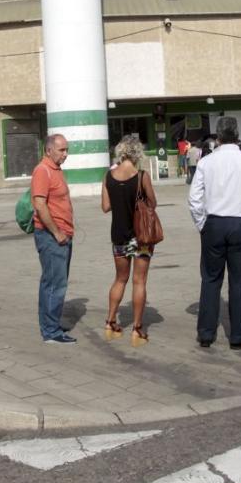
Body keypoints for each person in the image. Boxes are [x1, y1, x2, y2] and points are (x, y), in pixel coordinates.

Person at [188, 116, 241, 348]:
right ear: (237, 134)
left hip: (213, 224)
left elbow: (194, 199)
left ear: (218, 135)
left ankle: (205, 333)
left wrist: (202, 223)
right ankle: (238, 334)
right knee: (238, 283)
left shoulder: (206, 162)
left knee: (210, 279)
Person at [100, 135, 157, 346]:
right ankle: (137, 329)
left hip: (118, 235)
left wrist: (119, 198)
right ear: (137, 153)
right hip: (140, 236)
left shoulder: (108, 176)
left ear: (121, 152)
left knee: (120, 279)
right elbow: (153, 202)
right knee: (139, 280)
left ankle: (110, 321)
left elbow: (105, 207)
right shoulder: (142, 176)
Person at [32, 134, 76, 345]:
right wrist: (57, 232)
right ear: (49, 150)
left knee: (53, 282)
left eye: (66, 149)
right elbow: (40, 205)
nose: (65, 154)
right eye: (61, 150)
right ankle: (50, 331)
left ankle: (51, 324)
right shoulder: (43, 171)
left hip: (62, 235)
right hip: (51, 237)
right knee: (55, 284)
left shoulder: (56, 170)